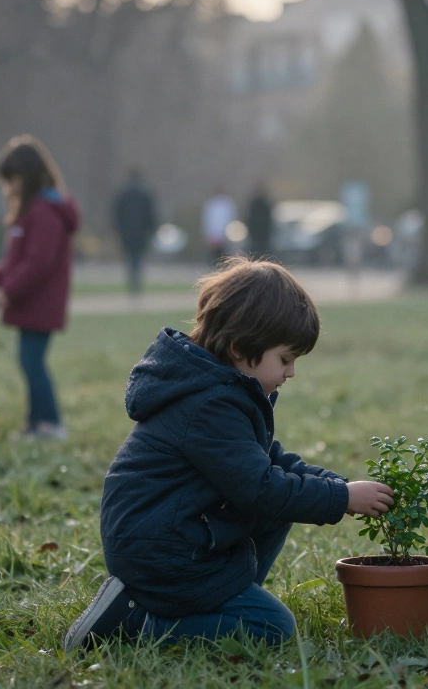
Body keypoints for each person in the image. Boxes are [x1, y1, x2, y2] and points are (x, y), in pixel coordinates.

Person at [62, 257, 395, 650]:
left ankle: (222, 599)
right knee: (273, 629)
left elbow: (266, 461)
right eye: (285, 360)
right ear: (239, 348)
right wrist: (341, 498)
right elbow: (261, 487)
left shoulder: (222, 390)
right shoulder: (209, 405)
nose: (291, 373)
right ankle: (133, 620)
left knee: (280, 505)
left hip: (175, 536)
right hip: (159, 552)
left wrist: (337, 485)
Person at [0, 135, 79, 441]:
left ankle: (49, 423)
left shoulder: (45, 212)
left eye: (14, 179)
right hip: (32, 302)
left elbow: (37, 264)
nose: (11, 186)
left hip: (39, 302)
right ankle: (35, 423)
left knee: (32, 362)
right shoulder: (34, 210)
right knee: (29, 362)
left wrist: (8, 292)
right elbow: (19, 258)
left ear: (29, 176)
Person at [113, 167, 156, 295]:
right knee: (138, 257)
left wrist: (118, 229)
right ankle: (136, 280)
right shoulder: (145, 193)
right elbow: (151, 214)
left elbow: (117, 214)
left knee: (130, 256)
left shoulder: (123, 194)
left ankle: (132, 280)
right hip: (142, 232)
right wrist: (151, 230)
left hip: (127, 231)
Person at [202, 187, 236, 264]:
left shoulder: (228, 203)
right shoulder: (211, 203)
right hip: (213, 231)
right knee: (213, 252)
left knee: (224, 252)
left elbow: (231, 217)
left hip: (224, 231)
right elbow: (207, 219)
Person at [245, 181, 274, 257]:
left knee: (263, 249)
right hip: (255, 231)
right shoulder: (254, 202)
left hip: (263, 231)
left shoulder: (265, 202)